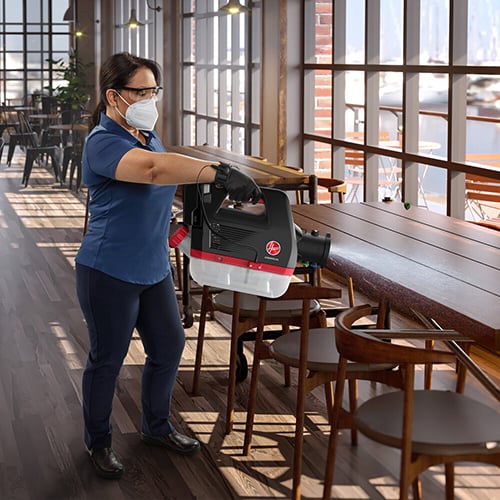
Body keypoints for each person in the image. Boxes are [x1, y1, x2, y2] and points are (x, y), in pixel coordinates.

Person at [75, 52, 261, 479]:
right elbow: (157, 171)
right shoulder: (103, 142)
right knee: (108, 359)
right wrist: (218, 172)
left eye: (154, 91)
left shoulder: (147, 135)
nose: (150, 99)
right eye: (141, 91)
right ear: (113, 96)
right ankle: (98, 442)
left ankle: (156, 426)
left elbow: (160, 183)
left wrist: (192, 211)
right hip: (108, 271)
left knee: (169, 345)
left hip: (154, 268)